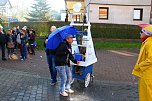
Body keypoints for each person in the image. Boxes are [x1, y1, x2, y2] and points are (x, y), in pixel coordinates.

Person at [132, 25, 152, 101]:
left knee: (147, 96)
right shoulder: (147, 42)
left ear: (146, 33)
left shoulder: (149, 44)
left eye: (141, 31)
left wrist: (140, 66)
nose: (140, 33)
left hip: (147, 75)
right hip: (147, 74)